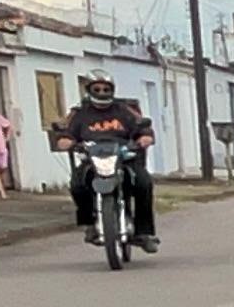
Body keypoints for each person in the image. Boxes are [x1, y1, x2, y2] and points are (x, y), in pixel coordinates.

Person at [50, 74, 157, 250]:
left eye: (106, 89)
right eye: (97, 89)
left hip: (124, 158)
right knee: (77, 184)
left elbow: (141, 125)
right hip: (93, 160)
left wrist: (145, 136)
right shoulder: (79, 113)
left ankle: (143, 233)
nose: (102, 93)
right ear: (89, 90)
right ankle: (90, 224)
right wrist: (65, 140)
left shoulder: (124, 109)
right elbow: (66, 131)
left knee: (144, 183)